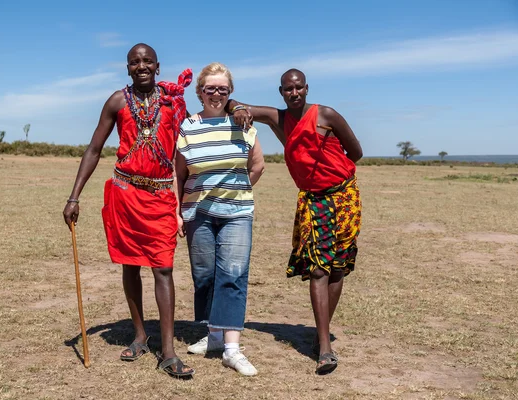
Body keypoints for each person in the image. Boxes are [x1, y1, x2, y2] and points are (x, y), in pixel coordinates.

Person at [62, 43, 195, 378]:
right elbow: (94, 148)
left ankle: (167, 351)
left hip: (161, 195)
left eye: (147, 61)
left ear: (158, 66)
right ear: (127, 68)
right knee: (131, 265)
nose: (141, 66)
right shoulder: (117, 101)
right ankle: (139, 335)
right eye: (135, 62)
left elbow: (193, 134)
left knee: (163, 268)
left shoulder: (173, 101)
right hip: (125, 193)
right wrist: (74, 196)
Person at [227, 69, 362, 375]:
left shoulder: (326, 115)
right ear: (281, 91)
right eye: (288, 89)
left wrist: (331, 166)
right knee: (317, 268)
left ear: (307, 89)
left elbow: (356, 152)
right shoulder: (279, 119)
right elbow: (234, 102)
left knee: (338, 267)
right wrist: (237, 110)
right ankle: (325, 348)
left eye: (299, 88)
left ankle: (320, 334)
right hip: (313, 201)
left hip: (343, 196)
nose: (294, 93)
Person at [175, 62, 265, 376]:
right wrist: (178, 210)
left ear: (230, 93)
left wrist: (234, 190)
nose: (215, 93)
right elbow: (180, 173)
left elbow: (257, 166)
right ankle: (213, 337)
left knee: (234, 274)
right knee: (205, 275)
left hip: (237, 213)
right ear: (200, 92)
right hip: (197, 213)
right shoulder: (187, 127)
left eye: (222, 89)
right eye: (210, 88)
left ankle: (232, 348)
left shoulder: (243, 124)